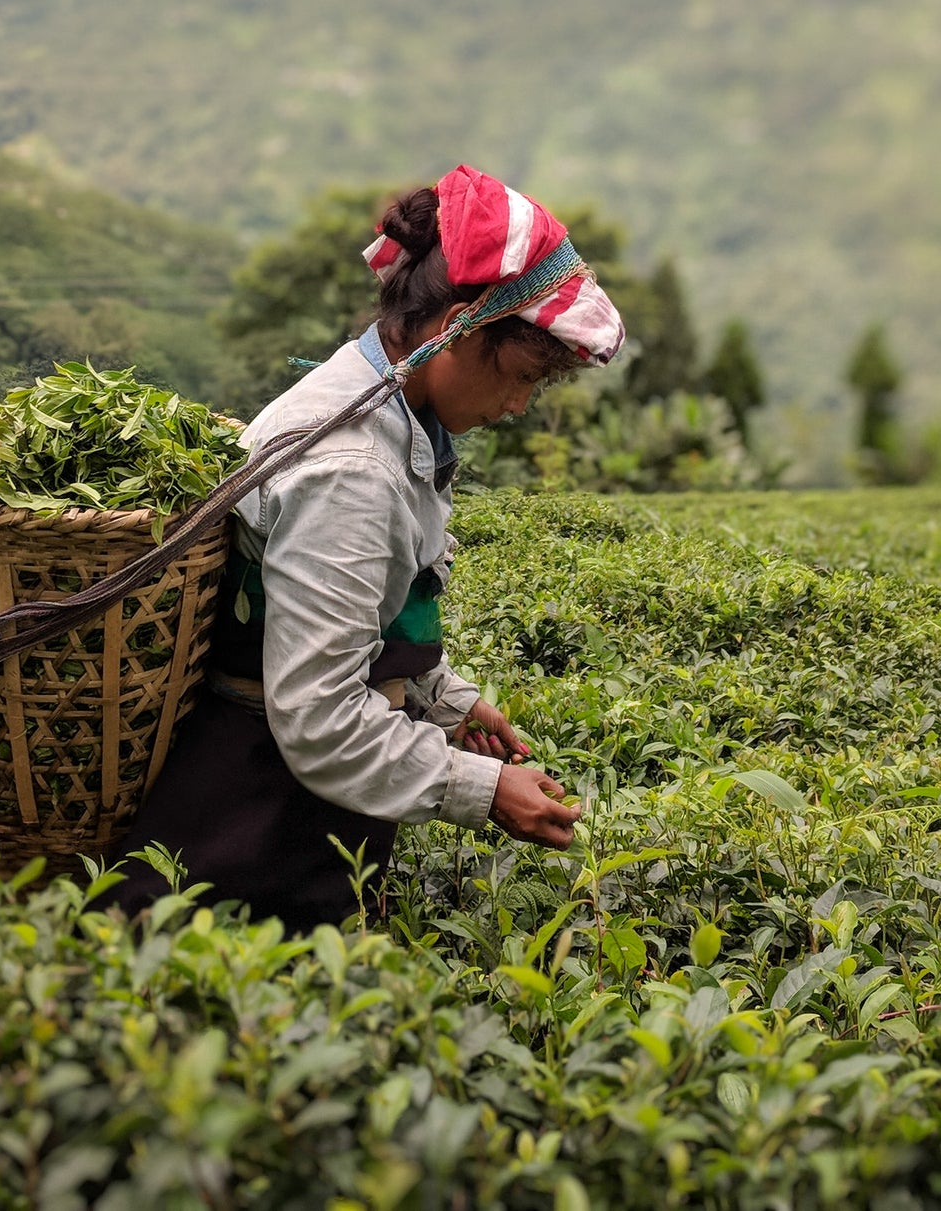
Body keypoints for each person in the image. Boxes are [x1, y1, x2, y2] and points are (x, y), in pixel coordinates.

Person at [113, 164, 626, 930]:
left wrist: (447, 701)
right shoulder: (352, 468)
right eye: (521, 375)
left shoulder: (390, 406)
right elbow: (319, 718)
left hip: (290, 809)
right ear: (456, 323)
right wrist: (482, 789)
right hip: (251, 825)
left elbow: (364, 613)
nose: (519, 404)